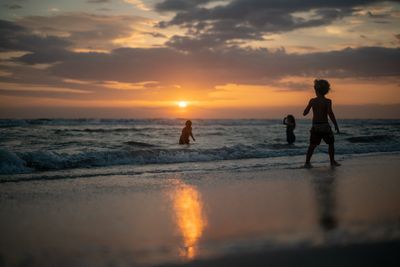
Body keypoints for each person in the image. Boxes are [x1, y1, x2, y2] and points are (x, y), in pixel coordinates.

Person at [303, 79, 340, 168]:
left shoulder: (312, 101)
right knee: (331, 144)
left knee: (312, 145)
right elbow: (330, 113)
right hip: (325, 126)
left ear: (316, 90)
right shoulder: (328, 101)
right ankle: (332, 162)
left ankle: (307, 162)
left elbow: (305, 112)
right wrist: (335, 124)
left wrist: (305, 111)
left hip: (315, 126)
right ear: (326, 91)